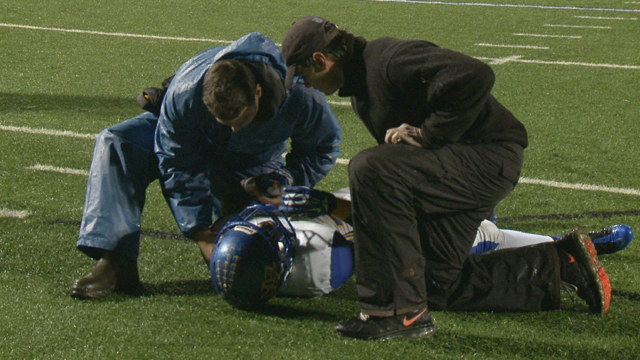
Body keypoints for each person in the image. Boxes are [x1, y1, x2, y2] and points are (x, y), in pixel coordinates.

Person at [281, 16, 611, 340]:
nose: (306, 85)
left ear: (321, 60)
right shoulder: (362, 88)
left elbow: (476, 75)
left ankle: (396, 313)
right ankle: (561, 264)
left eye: (303, 75)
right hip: (464, 170)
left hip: (489, 159)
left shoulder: (387, 61)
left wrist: (430, 134)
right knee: (435, 284)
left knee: (369, 167)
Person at [70, 32, 342, 300]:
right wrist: (199, 229)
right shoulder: (185, 91)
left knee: (248, 257)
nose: (235, 129)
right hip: (190, 139)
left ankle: (240, 234)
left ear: (258, 92)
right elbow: (177, 161)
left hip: (250, 164)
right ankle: (116, 260)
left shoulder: (301, 96)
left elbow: (323, 148)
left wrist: (285, 178)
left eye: (242, 118)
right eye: (226, 122)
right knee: (118, 142)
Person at [208, 187, 632, 308]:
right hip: (391, 238)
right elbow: (378, 231)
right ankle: (567, 251)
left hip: (379, 222)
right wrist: (333, 206)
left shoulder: (260, 260)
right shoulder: (322, 265)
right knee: (462, 252)